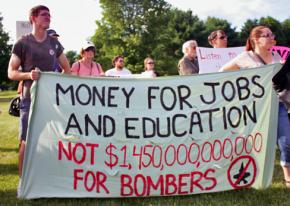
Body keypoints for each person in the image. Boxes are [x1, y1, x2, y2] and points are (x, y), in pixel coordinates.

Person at [7, 5, 71, 195]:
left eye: (50, 15)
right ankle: (23, 182)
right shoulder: (23, 42)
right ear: (33, 18)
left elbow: (67, 71)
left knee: (53, 141)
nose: (48, 18)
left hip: (52, 103)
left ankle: (48, 181)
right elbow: (11, 72)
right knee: (26, 141)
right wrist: (28, 75)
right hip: (29, 100)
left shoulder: (54, 44)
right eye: (44, 15)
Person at [219, 25, 290, 188]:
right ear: (256, 39)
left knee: (286, 141)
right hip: (253, 109)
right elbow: (223, 71)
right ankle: (242, 176)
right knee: (249, 144)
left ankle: (288, 178)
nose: (273, 37)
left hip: (277, 105)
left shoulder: (276, 55)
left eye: (272, 34)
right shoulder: (245, 57)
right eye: (268, 35)